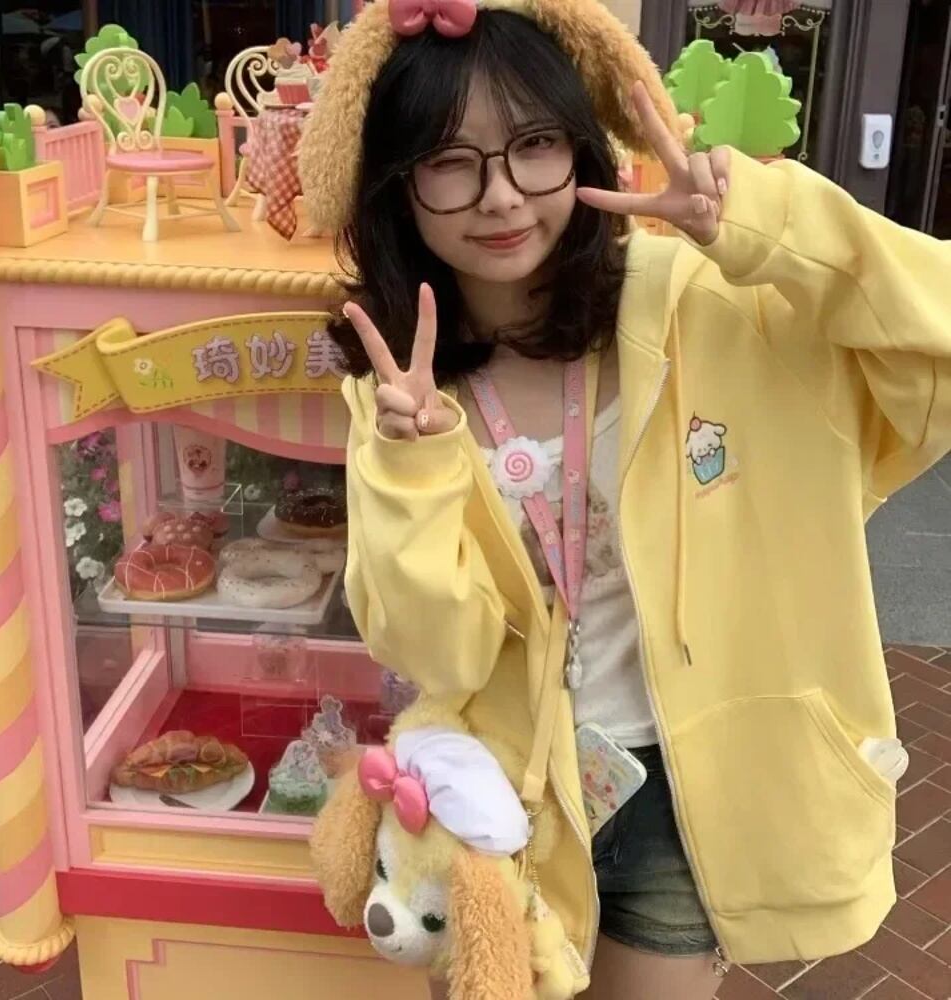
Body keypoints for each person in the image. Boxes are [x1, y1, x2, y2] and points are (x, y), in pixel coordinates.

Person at [297, 2, 951, 998]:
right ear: (399, 186)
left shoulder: (708, 303)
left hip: (681, 790)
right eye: (449, 161)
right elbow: (437, 653)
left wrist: (770, 225)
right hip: (498, 795)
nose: (501, 196)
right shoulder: (397, 384)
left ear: (581, 147)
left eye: (534, 145)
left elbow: (934, 343)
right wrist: (413, 463)